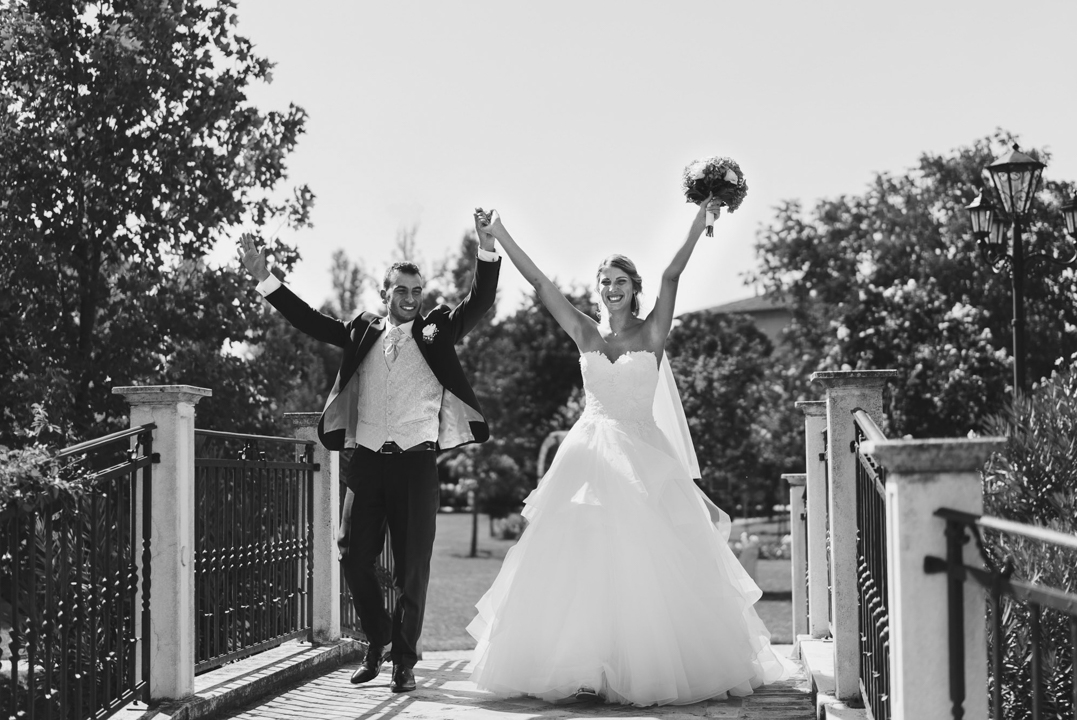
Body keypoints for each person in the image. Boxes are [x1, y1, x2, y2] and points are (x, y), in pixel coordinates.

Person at [466, 201, 784, 706]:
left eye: (620, 281)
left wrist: (700, 222)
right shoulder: (585, 331)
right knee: (582, 558)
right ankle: (586, 668)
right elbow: (541, 285)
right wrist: (498, 232)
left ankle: (642, 666)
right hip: (588, 455)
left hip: (643, 457)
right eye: (604, 282)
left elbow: (672, 273)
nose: (611, 289)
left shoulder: (652, 333)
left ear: (634, 288)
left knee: (646, 562)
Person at [237, 213, 500, 693]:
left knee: (411, 566)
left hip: (417, 463)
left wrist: (486, 247)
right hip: (369, 462)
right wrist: (264, 279)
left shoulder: (437, 328)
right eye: (401, 290)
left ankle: (403, 660)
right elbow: (311, 321)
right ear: (385, 292)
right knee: (353, 558)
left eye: (416, 291)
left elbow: (479, 301)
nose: (410, 299)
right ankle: (377, 640)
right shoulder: (362, 329)